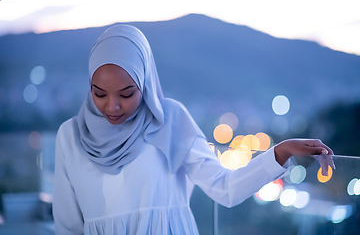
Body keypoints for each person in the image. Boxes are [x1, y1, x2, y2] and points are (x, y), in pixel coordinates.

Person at [53, 24, 335, 235]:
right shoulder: (70, 136)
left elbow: (226, 189)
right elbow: (68, 226)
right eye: (99, 93)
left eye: (127, 94)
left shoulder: (171, 120)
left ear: (146, 83)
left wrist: (280, 152)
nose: (112, 106)